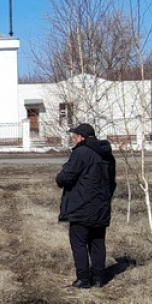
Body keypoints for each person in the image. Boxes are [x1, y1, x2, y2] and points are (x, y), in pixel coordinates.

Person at [55, 123, 117, 289]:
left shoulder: (81, 152)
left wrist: (61, 175)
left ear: (81, 137)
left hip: (81, 207)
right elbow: (112, 182)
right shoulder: (108, 156)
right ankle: (98, 278)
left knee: (79, 243)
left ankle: (83, 279)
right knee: (97, 242)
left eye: (74, 137)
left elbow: (63, 178)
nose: (73, 140)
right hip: (101, 207)